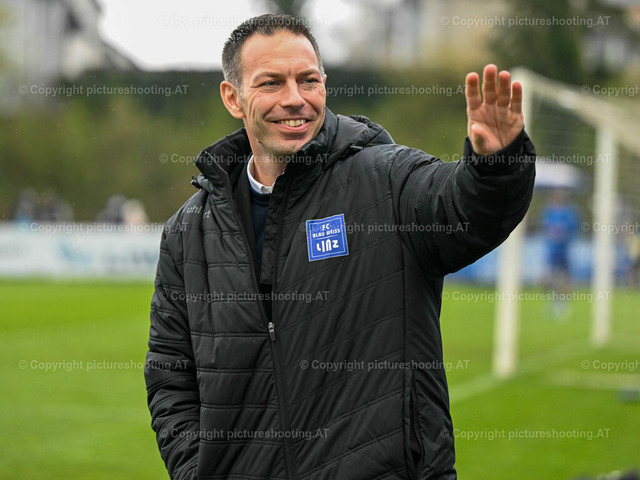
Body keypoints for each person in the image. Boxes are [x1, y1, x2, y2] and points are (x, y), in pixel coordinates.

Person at [144, 13, 536, 480]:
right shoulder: (188, 232)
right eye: (271, 83)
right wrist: (196, 470)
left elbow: (465, 210)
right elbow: (170, 375)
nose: (295, 98)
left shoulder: (387, 180)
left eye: (308, 80)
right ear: (233, 97)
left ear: (324, 85)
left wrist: (495, 165)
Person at [541, 188, 579, 318]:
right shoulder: (549, 212)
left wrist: (562, 236)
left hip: (563, 251)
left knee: (564, 279)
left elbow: (572, 231)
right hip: (551, 251)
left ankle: (564, 304)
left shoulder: (569, 213)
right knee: (547, 279)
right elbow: (546, 229)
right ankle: (553, 301)